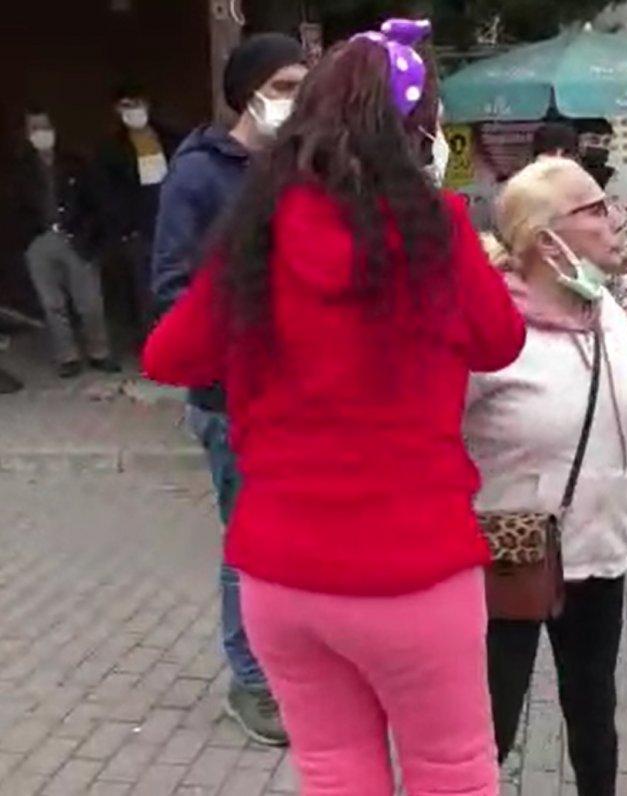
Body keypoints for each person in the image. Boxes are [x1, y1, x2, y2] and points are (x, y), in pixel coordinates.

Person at [143, 19, 525, 795]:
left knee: (334, 771)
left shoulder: (256, 232)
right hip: (414, 567)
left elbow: (170, 357)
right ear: (418, 129)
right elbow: (500, 342)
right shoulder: (437, 229)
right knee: (451, 771)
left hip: (281, 570)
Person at [467, 156, 627, 796]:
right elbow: (426, 441)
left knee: (594, 713)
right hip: (508, 560)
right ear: (547, 241)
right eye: (596, 209)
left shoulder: (607, 315)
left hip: (600, 555)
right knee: (488, 729)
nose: (617, 218)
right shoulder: (487, 330)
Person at [150, 32, 308, 747]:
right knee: (248, 544)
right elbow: (171, 291)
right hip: (231, 398)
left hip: (296, 395)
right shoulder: (198, 176)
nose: (295, 100)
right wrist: (247, 332)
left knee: (292, 542)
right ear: (248, 93)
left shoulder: (298, 166)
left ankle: (291, 665)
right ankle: (250, 681)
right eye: (283, 87)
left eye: (303, 85)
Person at [13, 108, 117, 378]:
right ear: (27, 134)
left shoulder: (74, 163)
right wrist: (27, 239)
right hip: (39, 240)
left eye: (45, 127)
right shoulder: (20, 168)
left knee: (89, 301)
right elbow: (13, 208)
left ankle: (99, 352)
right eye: (35, 129)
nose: (41, 134)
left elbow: (95, 202)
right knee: (52, 303)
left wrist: (91, 234)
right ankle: (67, 356)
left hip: (76, 237)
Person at [97, 84, 181, 342]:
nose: (133, 111)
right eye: (126, 106)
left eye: (137, 104)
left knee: (178, 285)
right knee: (145, 292)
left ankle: (180, 341)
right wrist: (126, 228)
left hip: (174, 225)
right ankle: (153, 343)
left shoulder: (169, 137)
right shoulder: (113, 148)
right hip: (139, 231)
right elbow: (108, 192)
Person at [576, 118, 616, 189]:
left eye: (606, 142)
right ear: (577, 141)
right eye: (594, 140)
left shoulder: (611, 177)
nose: (601, 146)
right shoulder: (564, 173)